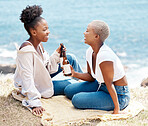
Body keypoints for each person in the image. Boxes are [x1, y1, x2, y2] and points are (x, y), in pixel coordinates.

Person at [14, 5, 82, 116]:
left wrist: (56, 54)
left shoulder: (39, 45)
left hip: (42, 77)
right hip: (38, 85)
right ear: (34, 32)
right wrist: (35, 103)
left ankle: (85, 83)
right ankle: (82, 88)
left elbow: (46, 68)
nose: (48, 32)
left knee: (70, 58)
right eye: (44, 29)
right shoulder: (26, 51)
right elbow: (27, 78)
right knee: (70, 84)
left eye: (48, 28)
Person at [64, 20, 130, 114]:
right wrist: (74, 74)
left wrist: (117, 109)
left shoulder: (105, 56)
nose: (84, 33)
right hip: (100, 85)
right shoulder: (90, 51)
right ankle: (96, 95)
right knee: (69, 90)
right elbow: (91, 77)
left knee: (76, 99)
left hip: (118, 95)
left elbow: (109, 84)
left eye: (87, 31)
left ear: (96, 36)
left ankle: (115, 104)